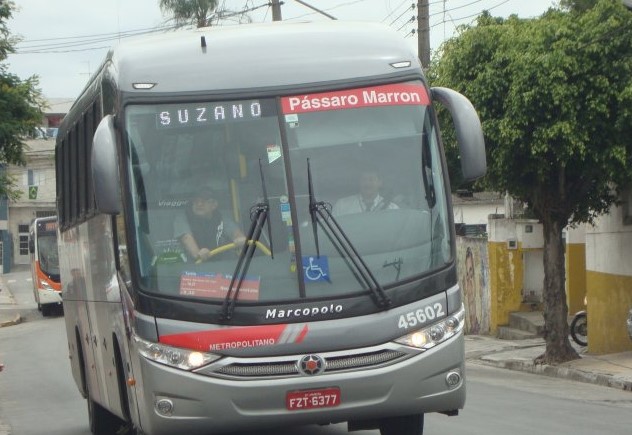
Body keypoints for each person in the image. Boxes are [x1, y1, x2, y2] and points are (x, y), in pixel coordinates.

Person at [175, 186, 246, 262]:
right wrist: (198, 253)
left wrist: (240, 239)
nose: (199, 204)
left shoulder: (221, 218)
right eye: (196, 201)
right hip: (192, 269)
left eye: (204, 201)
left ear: (214, 205)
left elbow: (236, 234)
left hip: (223, 266)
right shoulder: (183, 218)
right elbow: (186, 238)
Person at [333, 169, 398, 216]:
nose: (367, 183)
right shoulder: (342, 205)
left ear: (380, 183)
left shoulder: (392, 209)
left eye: (371, 179)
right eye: (364, 179)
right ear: (359, 182)